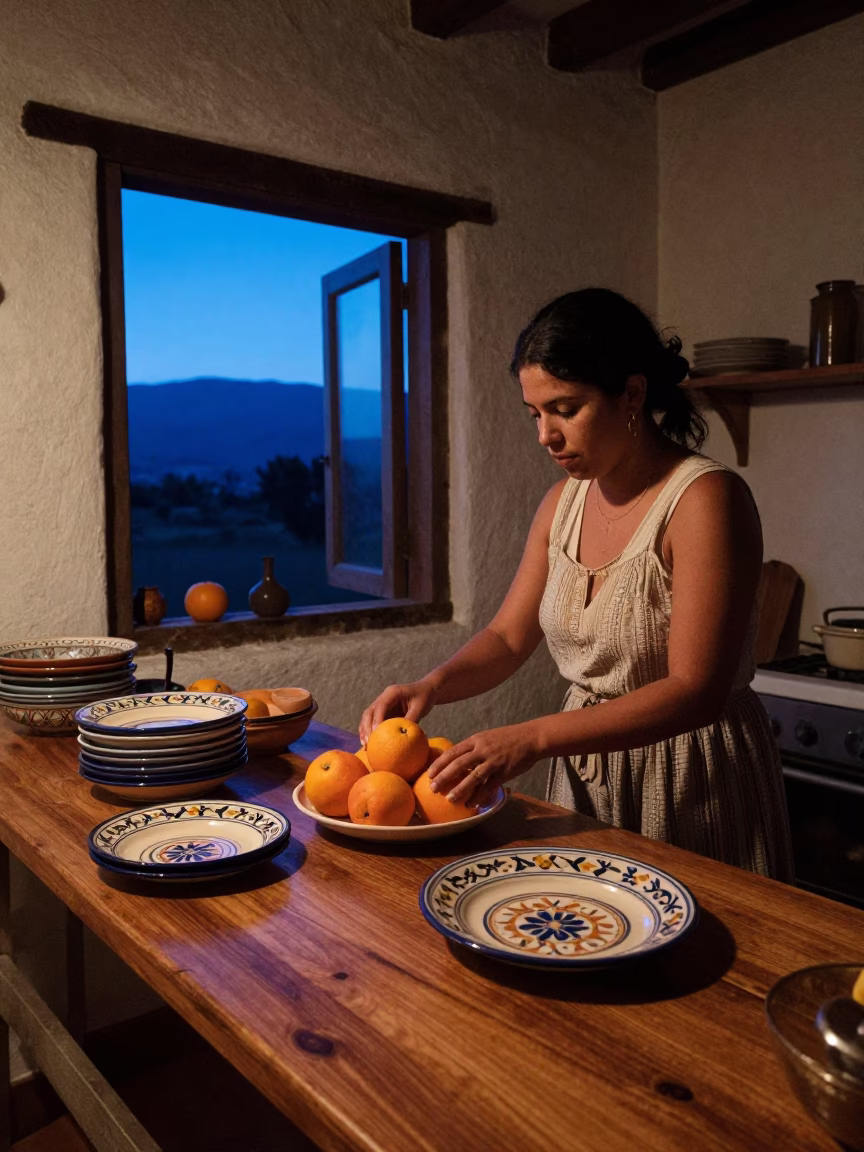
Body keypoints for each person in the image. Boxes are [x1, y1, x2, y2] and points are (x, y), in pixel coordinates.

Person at [359, 288, 794, 881]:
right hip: (586, 771)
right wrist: (431, 685)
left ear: (632, 394)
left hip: (691, 777)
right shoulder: (562, 503)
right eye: (535, 413)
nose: (546, 435)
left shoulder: (703, 500)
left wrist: (533, 737)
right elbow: (509, 638)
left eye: (566, 408)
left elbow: (698, 689)